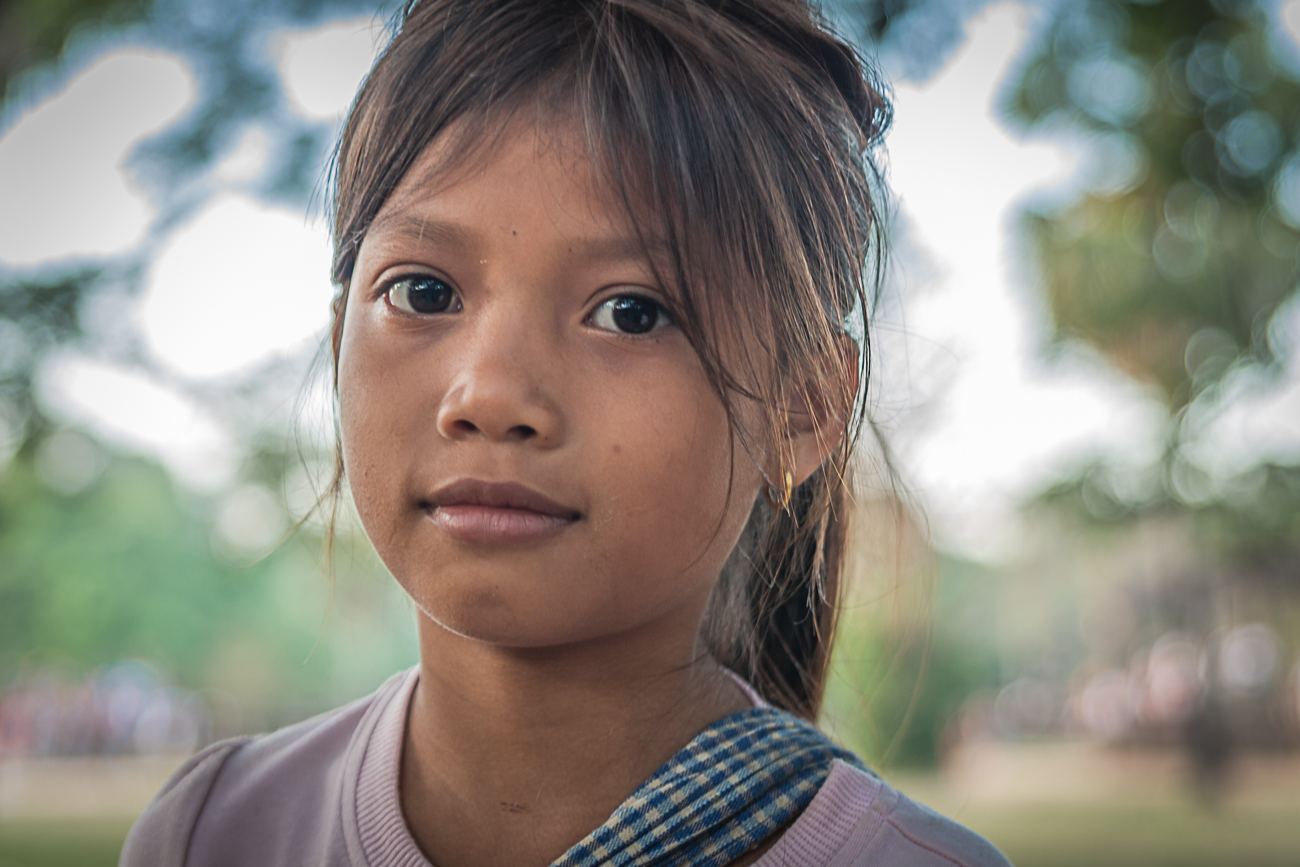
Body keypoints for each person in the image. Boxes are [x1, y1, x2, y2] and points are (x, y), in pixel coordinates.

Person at [120, 1, 1011, 864]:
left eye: (631, 311)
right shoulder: (214, 833)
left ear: (803, 406)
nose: (491, 394)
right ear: (337, 342)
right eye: (423, 292)